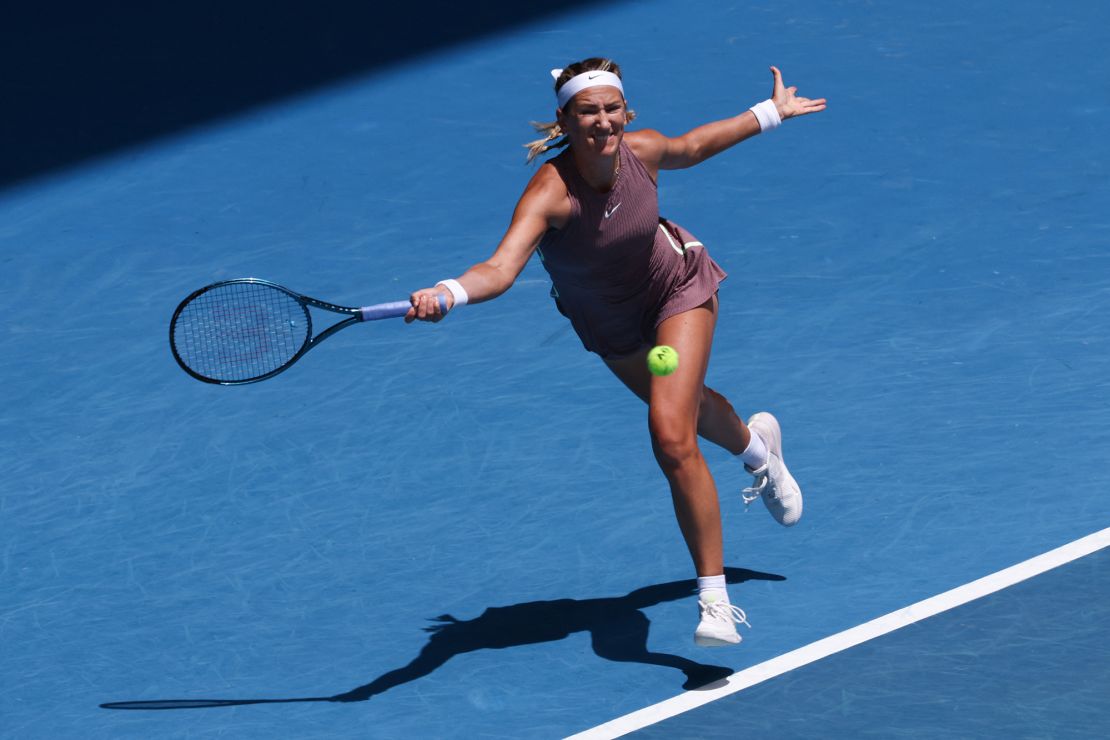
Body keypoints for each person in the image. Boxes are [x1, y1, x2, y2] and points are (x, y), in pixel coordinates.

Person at [406, 58, 826, 646]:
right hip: (609, 324)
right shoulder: (550, 193)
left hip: (676, 290)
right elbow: (500, 270)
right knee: (695, 412)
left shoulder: (643, 151)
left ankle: (714, 601)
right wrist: (448, 293)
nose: (602, 122)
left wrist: (770, 114)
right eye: (588, 112)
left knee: (671, 435)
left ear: (625, 113)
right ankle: (762, 453)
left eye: (611, 110)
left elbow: (695, 144)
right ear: (565, 120)